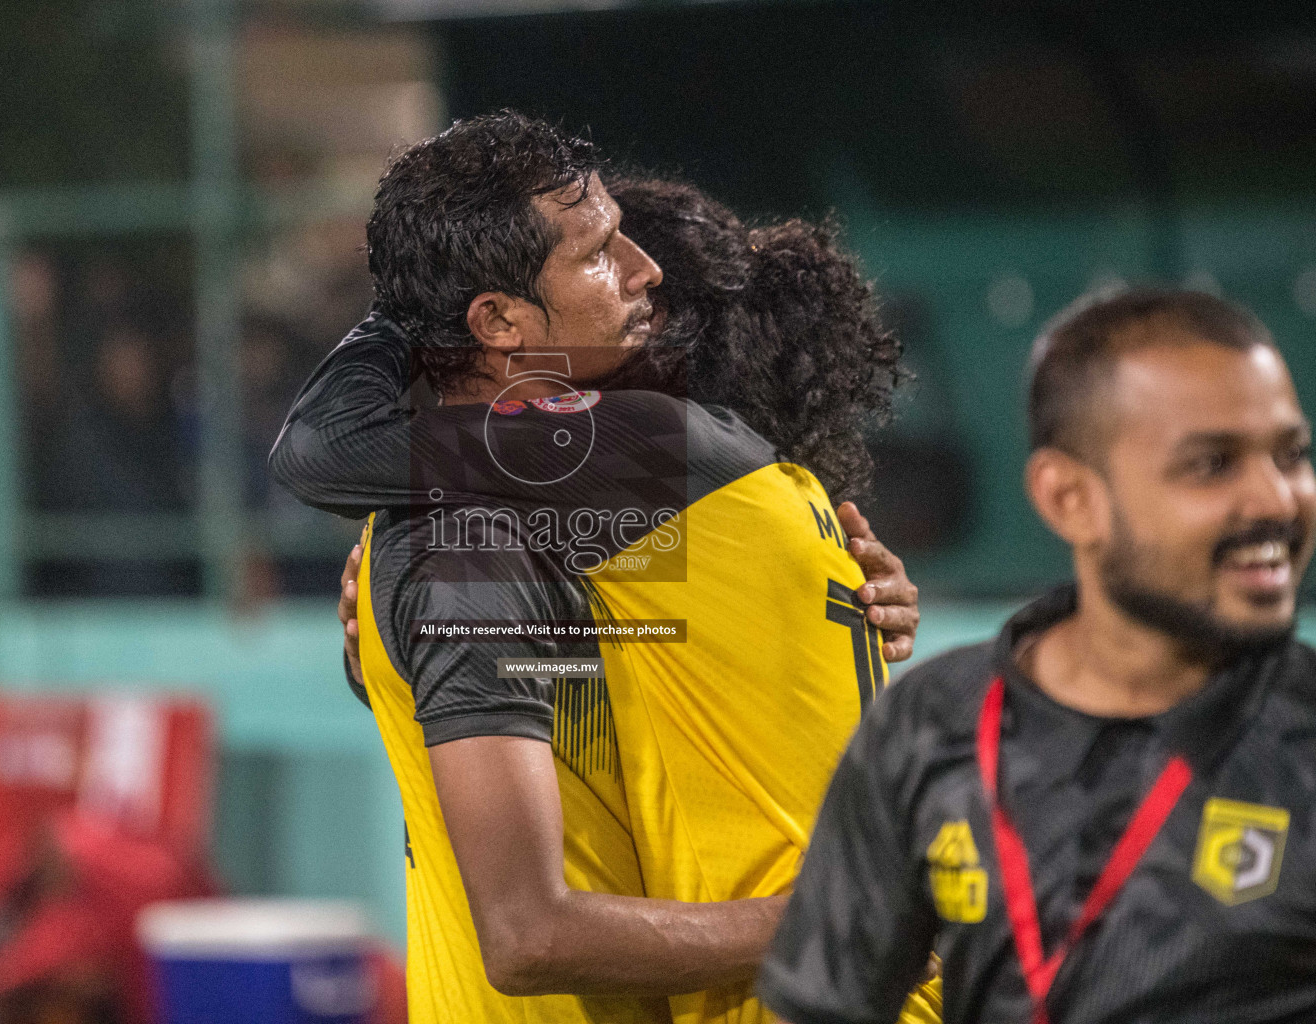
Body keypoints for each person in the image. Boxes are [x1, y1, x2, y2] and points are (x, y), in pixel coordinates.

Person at [273, 113, 937, 1024]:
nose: (639, 274)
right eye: (598, 254)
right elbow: (556, 704)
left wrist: (407, 307)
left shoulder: (602, 469)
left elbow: (320, 448)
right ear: (502, 318)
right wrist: (380, 659)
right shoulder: (736, 504)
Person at [759, 288, 1316, 1024]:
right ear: (1069, 500)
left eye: (1292, 454)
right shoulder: (929, 726)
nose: (1275, 499)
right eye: (1213, 465)